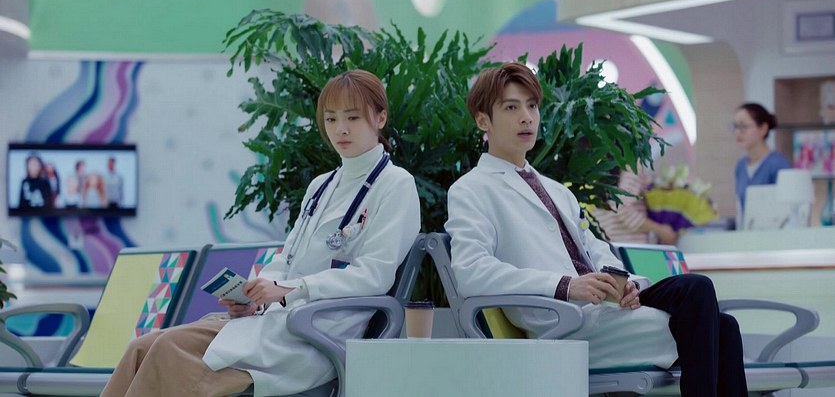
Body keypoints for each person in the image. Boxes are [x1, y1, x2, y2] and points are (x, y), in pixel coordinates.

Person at [101, 70, 421, 397]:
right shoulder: (322, 186)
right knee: (141, 348)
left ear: (380, 118)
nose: (340, 129)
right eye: (331, 119)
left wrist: (288, 290)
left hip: (316, 334)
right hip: (274, 321)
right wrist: (255, 296)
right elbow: (287, 259)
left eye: (352, 117)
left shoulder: (395, 185)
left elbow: (374, 275)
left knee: (170, 350)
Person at [445, 62, 747, 396]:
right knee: (713, 316)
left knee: (714, 313)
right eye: (511, 108)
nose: (527, 118)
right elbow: (471, 271)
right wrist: (564, 286)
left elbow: (595, 249)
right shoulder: (471, 189)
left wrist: (625, 284)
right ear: (483, 120)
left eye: (532, 106)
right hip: (563, 321)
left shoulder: (556, 190)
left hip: (602, 308)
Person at [592, 168, 679, 245]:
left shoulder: (602, 163)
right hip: (628, 244)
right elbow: (623, 208)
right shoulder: (632, 165)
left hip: (607, 243)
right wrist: (660, 230)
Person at [733, 103, 791, 213]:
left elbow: (787, 209)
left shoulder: (779, 165)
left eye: (743, 127)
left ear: (763, 129)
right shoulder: (740, 166)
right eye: (735, 127)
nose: (737, 132)